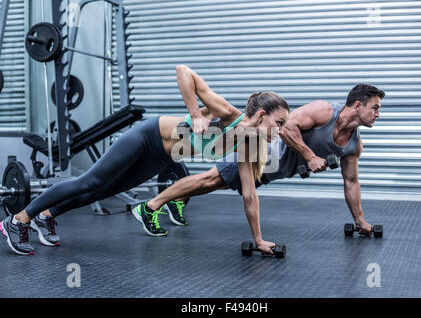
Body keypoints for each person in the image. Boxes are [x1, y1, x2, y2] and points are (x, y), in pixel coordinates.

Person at [0, 65, 290, 256]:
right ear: (262, 116)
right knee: (88, 182)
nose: (280, 131)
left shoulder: (249, 144)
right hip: (145, 136)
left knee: (102, 191)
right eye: (279, 122)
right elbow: (183, 71)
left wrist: (259, 239)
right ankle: (17, 220)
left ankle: (46, 216)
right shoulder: (227, 112)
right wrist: (196, 114)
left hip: (160, 156)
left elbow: (250, 195)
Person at [140, 84, 385, 236]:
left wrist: (360, 221)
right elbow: (287, 127)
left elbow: (351, 182)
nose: (377, 114)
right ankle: (151, 206)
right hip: (265, 150)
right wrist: (309, 156)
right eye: (374, 108)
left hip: (275, 170)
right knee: (212, 178)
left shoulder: (354, 144)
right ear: (356, 105)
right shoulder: (324, 111)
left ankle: (176, 200)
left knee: (219, 182)